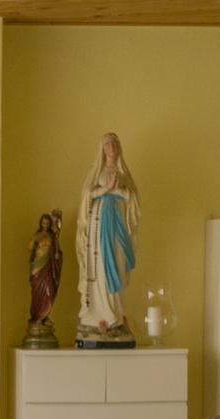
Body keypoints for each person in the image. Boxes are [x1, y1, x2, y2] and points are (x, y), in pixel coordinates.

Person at [75, 132, 139, 344]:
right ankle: (100, 316)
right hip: (99, 225)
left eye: (114, 143)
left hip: (117, 225)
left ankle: (116, 316)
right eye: (107, 144)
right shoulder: (96, 172)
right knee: (101, 267)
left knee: (118, 265)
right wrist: (105, 189)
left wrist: (117, 190)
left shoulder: (123, 174)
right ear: (102, 149)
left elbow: (133, 199)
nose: (111, 147)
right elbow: (87, 194)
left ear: (118, 148)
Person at [28, 210, 63, 326]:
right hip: (37, 268)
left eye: (47, 223)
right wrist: (35, 240)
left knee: (49, 291)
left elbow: (57, 246)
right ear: (40, 223)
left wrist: (57, 255)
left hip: (48, 266)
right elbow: (30, 247)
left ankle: (45, 316)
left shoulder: (52, 236)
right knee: (37, 293)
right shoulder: (37, 235)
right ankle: (37, 316)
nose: (45, 225)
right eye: (43, 223)